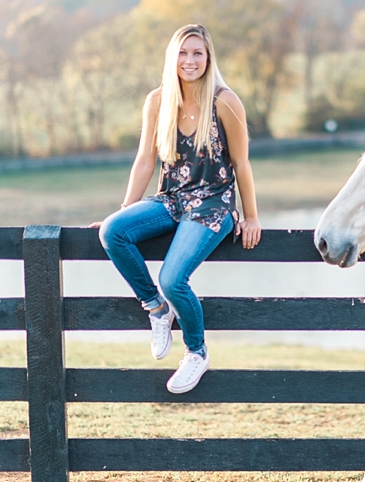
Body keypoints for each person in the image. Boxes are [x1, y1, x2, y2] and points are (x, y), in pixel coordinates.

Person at [92, 24, 261, 394]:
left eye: (198, 53)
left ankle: (196, 353)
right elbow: (143, 161)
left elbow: (242, 164)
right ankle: (156, 308)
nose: (190, 61)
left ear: (208, 58)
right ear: (173, 58)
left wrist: (250, 216)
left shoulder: (225, 101)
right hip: (171, 198)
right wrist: (123, 210)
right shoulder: (158, 101)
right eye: (183, 53)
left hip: (213, 204)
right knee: (112, 232)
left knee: (172, 278)